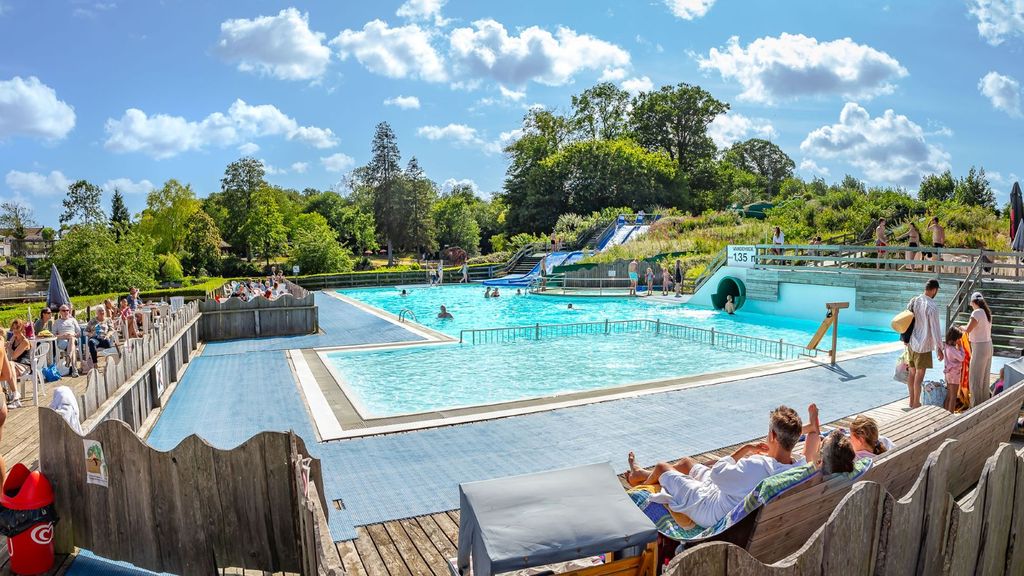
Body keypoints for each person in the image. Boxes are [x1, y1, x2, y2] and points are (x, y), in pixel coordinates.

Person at [625, 406, 804, 528]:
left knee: (662, 467)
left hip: (711, 509)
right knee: (686, 463)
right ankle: (640, 473)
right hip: (726, 496)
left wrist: (746, 449)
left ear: (772, 436)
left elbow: (718, 474)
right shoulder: (798, 467)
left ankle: (640, 483)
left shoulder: (757, 466)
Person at [905, 279, 944, 410]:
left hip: (911, 342)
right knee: (919, 375)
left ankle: (911, 401)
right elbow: (935, 328)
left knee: (912, 373)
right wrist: (939, 347)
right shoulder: (932, 306)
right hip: (924, 344)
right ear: (934, 290)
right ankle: (916, 402)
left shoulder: (914, 301)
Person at [961, 292, 993, 407]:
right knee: (984, 379)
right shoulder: (987, 313)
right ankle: (984, 405)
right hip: (989, 345)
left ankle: (975, 407)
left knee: (975, 379)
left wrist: (961, 327)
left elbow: (968, 329)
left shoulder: (977, 312)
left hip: (979, 347)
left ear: (974, 302)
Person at [942, 326, 966, 413]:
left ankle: (944, 413)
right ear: (954, 339)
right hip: (954, 374)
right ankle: (950, 415)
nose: (958, 341)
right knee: (953, 396)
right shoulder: (953, 349)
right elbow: (962, 358)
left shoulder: (946, 346)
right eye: (958, 339)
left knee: (948, 395)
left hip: (948, 373)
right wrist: (961, 347)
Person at [53, 305, 80, 377]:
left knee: (72, 338)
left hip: (73, 339)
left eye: (67, 310)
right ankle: (74, 370)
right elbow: (53, 335)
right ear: (60, 312)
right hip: (62, 341)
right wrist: (63, 336)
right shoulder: (57, 322)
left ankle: (68, 359)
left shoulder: (73, 320)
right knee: (73, 348)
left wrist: (74, 335)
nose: (66, 312)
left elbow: (79, 333)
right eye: (63, 311)